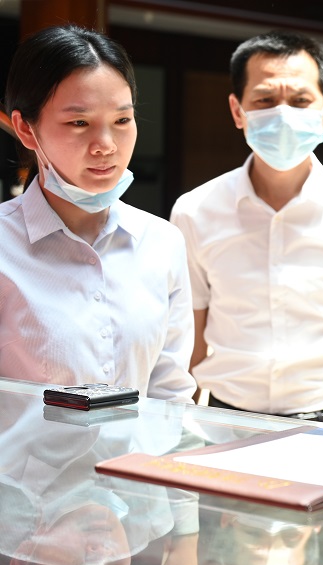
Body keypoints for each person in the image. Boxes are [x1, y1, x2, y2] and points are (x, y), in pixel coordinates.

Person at [170, 31, 323, 428]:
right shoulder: (194, 211)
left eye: (299, 100)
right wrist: (175, 439)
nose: (282, 114)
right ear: (237, 110)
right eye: (264, 100)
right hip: (223, 423)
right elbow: (188, 342)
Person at [1, 25, 196, 401]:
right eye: (79, 122)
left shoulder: (162, 242)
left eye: (122, 120)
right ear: (25, 128)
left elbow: (170, 393)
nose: (106, 146)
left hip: (138, 444)